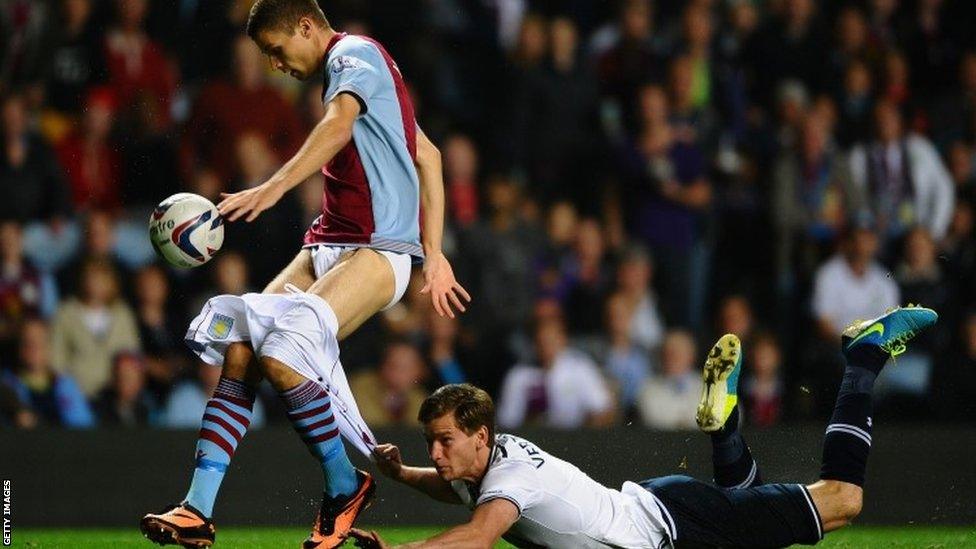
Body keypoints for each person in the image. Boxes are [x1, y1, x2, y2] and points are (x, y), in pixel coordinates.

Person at [140, 1, 469, 548]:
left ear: (305, 27)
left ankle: (344, 486)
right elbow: (428, 156)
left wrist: (271, 188)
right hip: (327, 241)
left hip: (377, 249)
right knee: (242, 346)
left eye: (275, 49)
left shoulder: (353, 54)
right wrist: (435, 252)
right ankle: (196, 509)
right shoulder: (358, 74)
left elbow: (339, 124)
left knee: (285, 352)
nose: (274, 63)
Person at [356, 306, 937, 548]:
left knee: (844, 501)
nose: (435, 452)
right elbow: (451, 483)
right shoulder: (483, 462)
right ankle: (725, 427)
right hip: (664, 511)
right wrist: (401, 472)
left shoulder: (506, 480)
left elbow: (478, 536)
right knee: (750, 509)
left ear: (480, 435)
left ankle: (863, 360)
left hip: (673, 527)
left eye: (444, 440)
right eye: (431, 441)